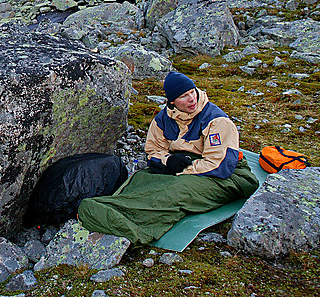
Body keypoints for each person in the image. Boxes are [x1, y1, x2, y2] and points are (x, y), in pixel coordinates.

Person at [77, 71, 259, 244]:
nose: (191, 99)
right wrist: (167, 161)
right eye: (183, 96)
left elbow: (219, 165)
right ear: (172, 102)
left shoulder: (217, 121)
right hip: (188, 163)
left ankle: (132, 227)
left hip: (226, 176)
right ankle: (108, 208)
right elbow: (153, 151)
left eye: (192, 92)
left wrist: (181, 170)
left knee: (176, 190)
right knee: (142, 179)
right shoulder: (163, 119)